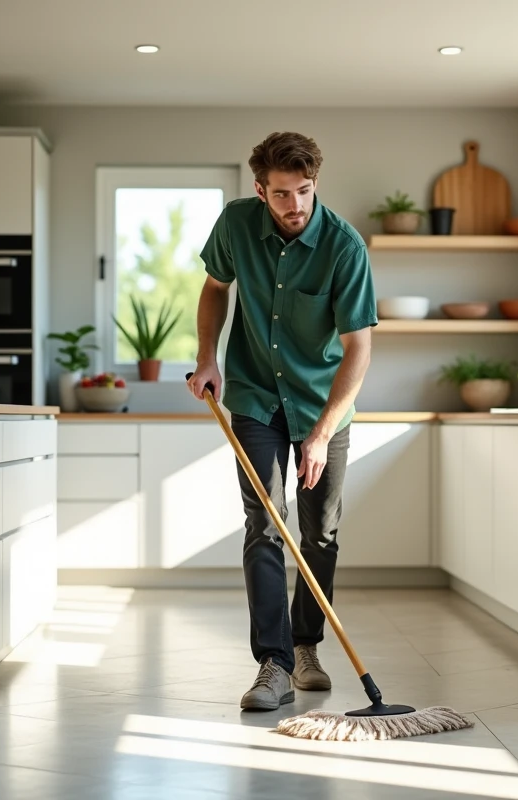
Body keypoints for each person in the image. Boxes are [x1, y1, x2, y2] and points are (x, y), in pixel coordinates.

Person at [187, 131, 377, 711]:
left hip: (323, 403)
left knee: (320, 531)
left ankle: (305, 646)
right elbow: (215, 287)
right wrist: (207, 356)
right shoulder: (237, 224)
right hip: (252, 395)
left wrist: (321, 434)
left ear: (316, 183)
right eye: (281, 194)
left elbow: (358, 350)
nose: (295, 206)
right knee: (265, 524)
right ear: (260, 190)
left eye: (304, 191)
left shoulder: (344, 246)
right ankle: (272, 663)